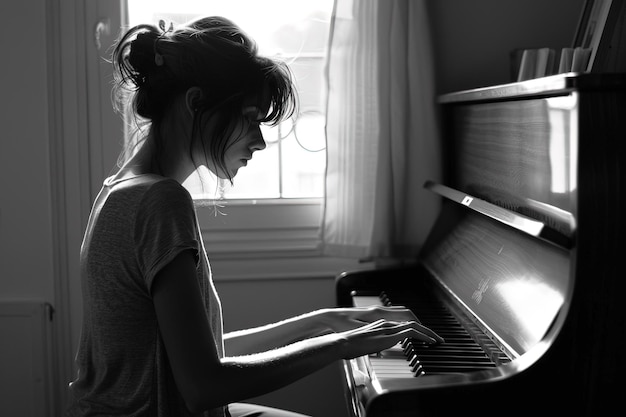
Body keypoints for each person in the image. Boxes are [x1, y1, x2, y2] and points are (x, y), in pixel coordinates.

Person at [65, 16, 443, 417]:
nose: (260, 141)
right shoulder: (160, 200)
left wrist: (326, 322)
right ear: (196, 103)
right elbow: (204, 386)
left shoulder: (120, 188)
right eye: (250, 118)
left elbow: (200, 353)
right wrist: (342, 346)